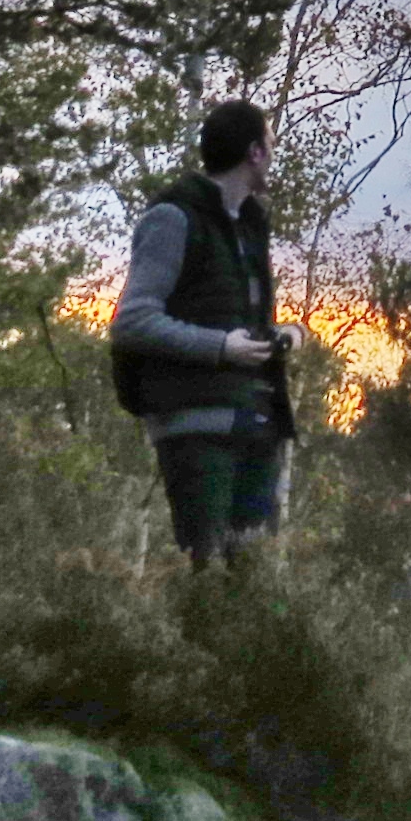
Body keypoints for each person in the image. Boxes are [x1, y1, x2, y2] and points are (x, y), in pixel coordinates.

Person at [110, 100, 294, 563]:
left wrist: (279, 335)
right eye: (270, 144)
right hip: (196, 427)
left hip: (255, 422)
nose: (273, 153)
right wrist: (221, 347)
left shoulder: (251, 226)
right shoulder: (174, 218)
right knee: (206, 576)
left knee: (251, 582)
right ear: (254, 152)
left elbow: (227, 319)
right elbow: (133, 321)